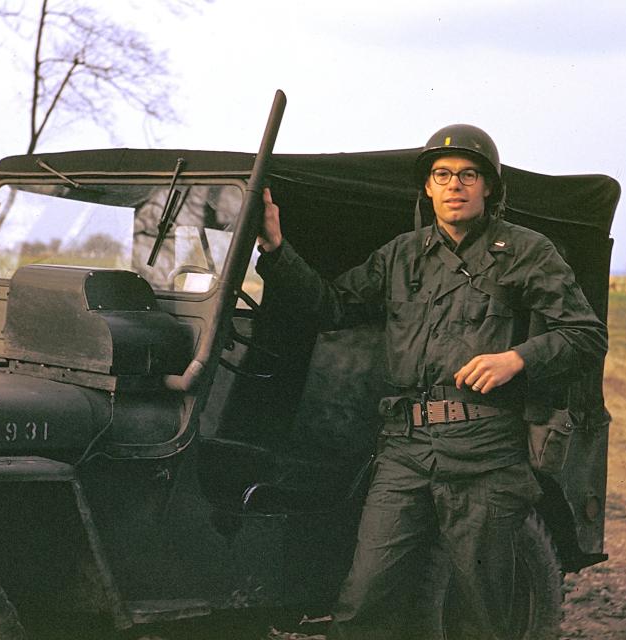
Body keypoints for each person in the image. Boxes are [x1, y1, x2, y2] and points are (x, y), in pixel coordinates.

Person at [255, 124, 607, 639]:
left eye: (468, 174)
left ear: (489, 186)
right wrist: (276, 246)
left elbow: (585, 334)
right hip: (406, 449)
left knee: (481, 613)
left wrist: (518, 358)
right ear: (427, 187)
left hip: (484, 452)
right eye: (442, 175)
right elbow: (330, 307)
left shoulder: (526, 251)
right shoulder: (402, 255)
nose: (454, 185)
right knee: (363, 602)